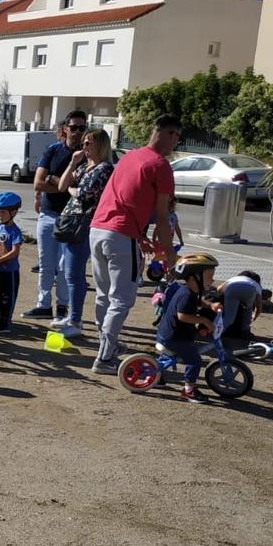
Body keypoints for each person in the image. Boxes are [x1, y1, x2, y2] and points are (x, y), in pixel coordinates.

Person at [89, 114, 180, 375]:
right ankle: (105, 358)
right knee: (122, 299)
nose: (176, 142)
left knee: (104, 295)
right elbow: (162, 217)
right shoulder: (160, 165)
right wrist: (169, 254)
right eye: (176, 136)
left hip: (98, 229)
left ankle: (106, 346)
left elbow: (125, 197)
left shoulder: (130, 156)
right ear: (169, 134)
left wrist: (141, 237)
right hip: (120, 234)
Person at [53, 128, 115, 339]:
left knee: (74, 273)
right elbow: (63, 186)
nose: (84, 147)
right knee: (68, 271)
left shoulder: (104, 169)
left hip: (83, 224)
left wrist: (74, 188)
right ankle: (72, 316)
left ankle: (75, 320)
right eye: (84, 143)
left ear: (100, 145)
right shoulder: (85, 166)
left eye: (89, 143)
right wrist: (72, 163)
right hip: (70, 223)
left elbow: (83, 193)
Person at [25, 111, 87, 320]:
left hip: (73, 218)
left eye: (81, 127)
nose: (77, 132)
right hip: (49, 213)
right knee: (46, 263)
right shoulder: (53, 150)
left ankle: (62, 305)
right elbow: (38, 183)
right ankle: (43, 304)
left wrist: (55, 181)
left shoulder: (87, 155)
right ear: (65, 129)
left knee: (64, 266)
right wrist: (64, 186)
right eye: (74, 127)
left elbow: (84, 189)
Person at [155, 253, 220, 404]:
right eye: (209, 275)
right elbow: (182, 316)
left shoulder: (190, 291)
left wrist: (210, 305)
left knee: (171, 357)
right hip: (175, 338)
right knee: (194, 360)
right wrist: (204, 320)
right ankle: (189, 391)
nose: (213, 279)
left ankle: (156, 375)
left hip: (170, 334)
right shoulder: (187, 295)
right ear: (193, 277)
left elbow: (199, 301)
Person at [0, 192, 24, 334]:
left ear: (13, 212)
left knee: (7, 298)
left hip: (10, 272)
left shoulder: (15, 231)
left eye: (2, 212)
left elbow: (14, 252)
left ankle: (5, 323)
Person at [217, 270, 265, 343]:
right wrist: (254, 317)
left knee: (228, 318)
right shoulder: (256, 284)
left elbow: (219, 289)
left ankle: (217, 334)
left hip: (232, 287)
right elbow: (258, 307)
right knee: (247, 311)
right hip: (250, 290)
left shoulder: (233, 279)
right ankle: (244, 333)